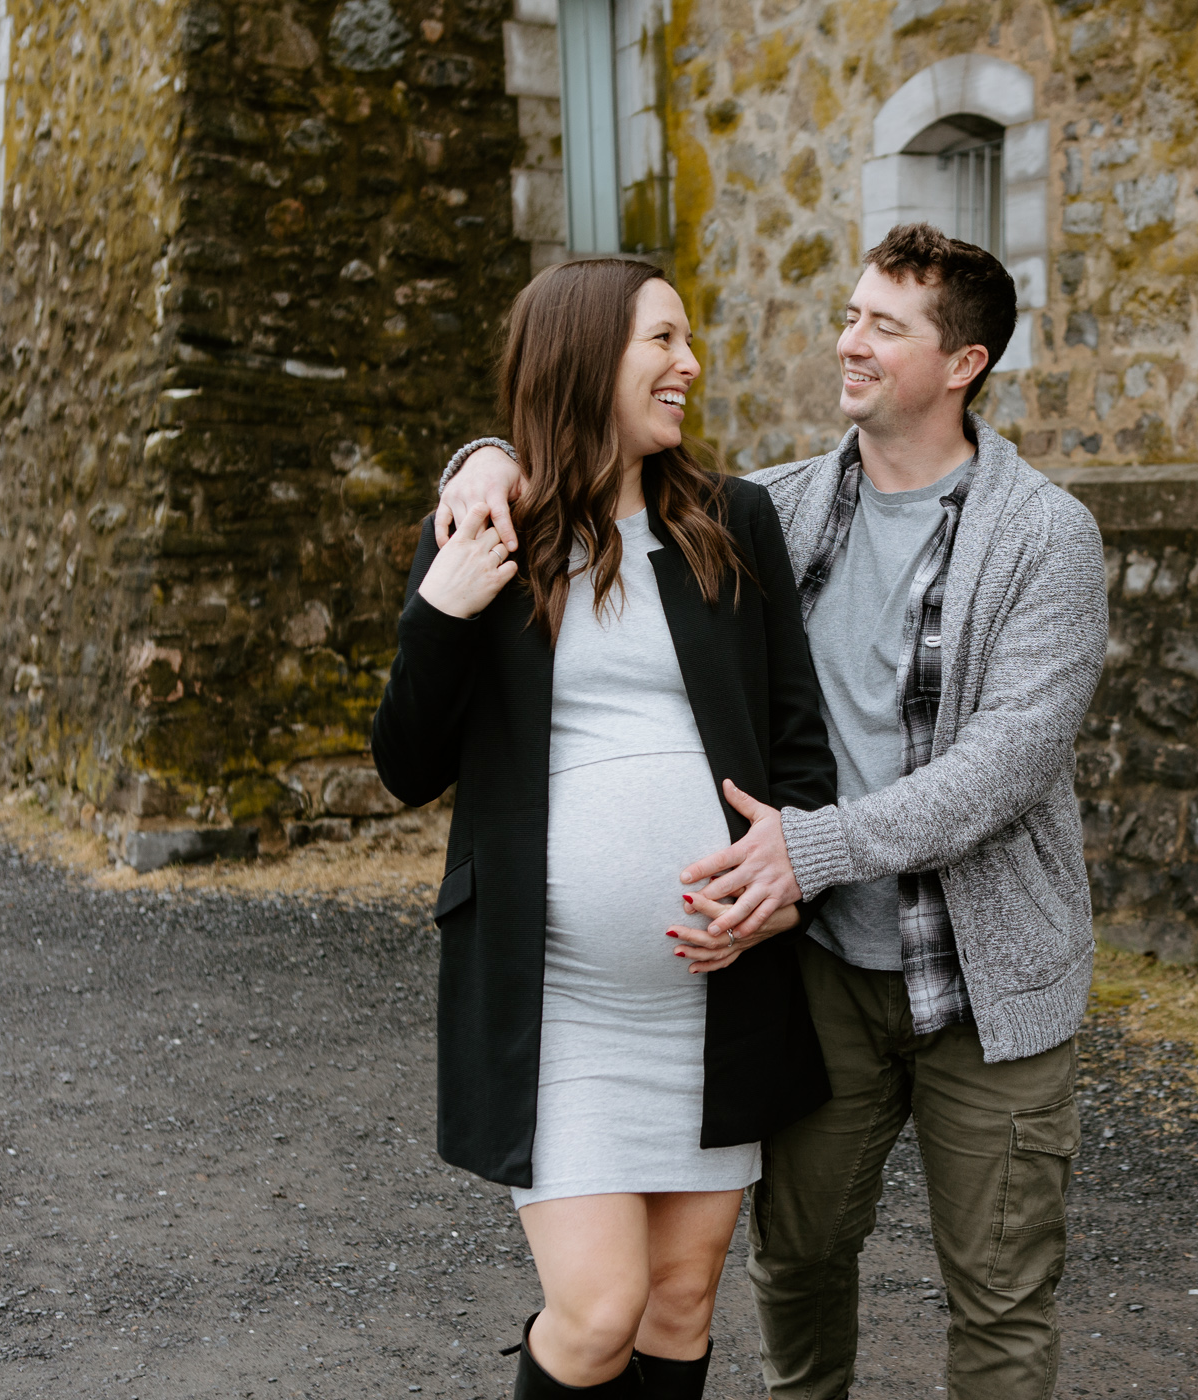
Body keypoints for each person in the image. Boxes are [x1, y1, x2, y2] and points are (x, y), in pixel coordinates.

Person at [438, 224, 1109, 1400]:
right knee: (795, 1264)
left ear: (964, 364)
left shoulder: (1046, 533)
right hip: (827, 971)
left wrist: (810, 846)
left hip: (989, 980)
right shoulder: (777, 515)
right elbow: (601, 467)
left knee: (1000, 1298)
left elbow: (1009, 763)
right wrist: (483, 455)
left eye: (882, 326)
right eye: (848, 315)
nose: (846, 342)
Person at [372, 258, 837, 1400]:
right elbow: (403, 764)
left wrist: (783, 888)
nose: (689, 365)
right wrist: (443, 609)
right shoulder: (492, 527)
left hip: (714, 997)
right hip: (561, 1003)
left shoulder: (736, 522)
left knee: (680, 1305)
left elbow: (799, 751)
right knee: (597, 1312)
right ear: (587, 357)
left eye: (686, 341)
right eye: (662, 341)